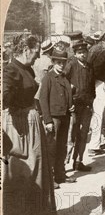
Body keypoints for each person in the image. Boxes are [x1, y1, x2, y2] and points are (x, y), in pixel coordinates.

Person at [2, 35, 57, 215]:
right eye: (35, 52)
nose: (37, 57)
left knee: (39, 175)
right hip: (20, 128)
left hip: (32, 124)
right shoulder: (10, 71)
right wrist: (14, 108)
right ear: (25, 49)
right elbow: (5, 95)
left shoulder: (27, 69)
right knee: (22, 178)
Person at [39, 47, 76, 186]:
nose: (61, 65)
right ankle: (50, 178)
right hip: (54, 118)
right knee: (52, 148)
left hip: (65, 116)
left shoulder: (64, 77)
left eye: (63, 62)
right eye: (58, 62)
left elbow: (68, 94)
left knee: (62, 146)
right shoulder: (48, 78)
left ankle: (60, 175)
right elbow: (43, 99)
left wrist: (71, 105)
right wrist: (48, 120)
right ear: (53, 62)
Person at [64, 39, 95, 171]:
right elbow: (63, 83)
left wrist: (92, 100)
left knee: (83, 134)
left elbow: (92, 86)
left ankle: (78, 161)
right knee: (71, 135)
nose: (83, 55)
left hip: (86, 105)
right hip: (74, 106)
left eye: (84, 52)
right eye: (80, 52)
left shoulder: (89, 66)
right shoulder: (70, 65)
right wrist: (68, 101)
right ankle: (63, 165)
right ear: (75, 54)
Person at [88, 30, 105, 154]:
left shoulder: (94, 48)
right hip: (97, 83)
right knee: (98, 113)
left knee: (99, 113)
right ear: (104, 38)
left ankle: (101, 140)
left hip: (94, 82)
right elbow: (96, 70)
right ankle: (94, 145)